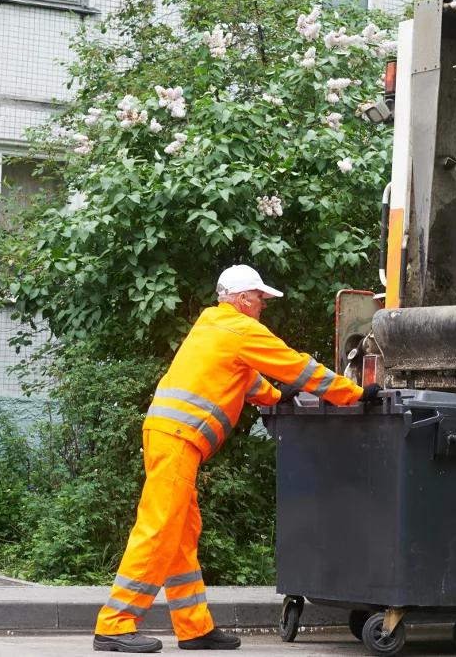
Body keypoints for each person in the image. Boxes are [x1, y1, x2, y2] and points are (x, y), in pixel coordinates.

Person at [93, 264, 380, 652]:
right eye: (260, 299)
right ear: (243, 299)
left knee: (180, 534)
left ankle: (193, 628)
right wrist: (354, 393)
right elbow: (296, 366)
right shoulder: (240, 329)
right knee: (160, 528)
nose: (263, 306)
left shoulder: (214, 326)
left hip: (169, 436)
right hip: (177, 439)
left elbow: (243, 378)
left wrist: (278, 398)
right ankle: (114, 623)